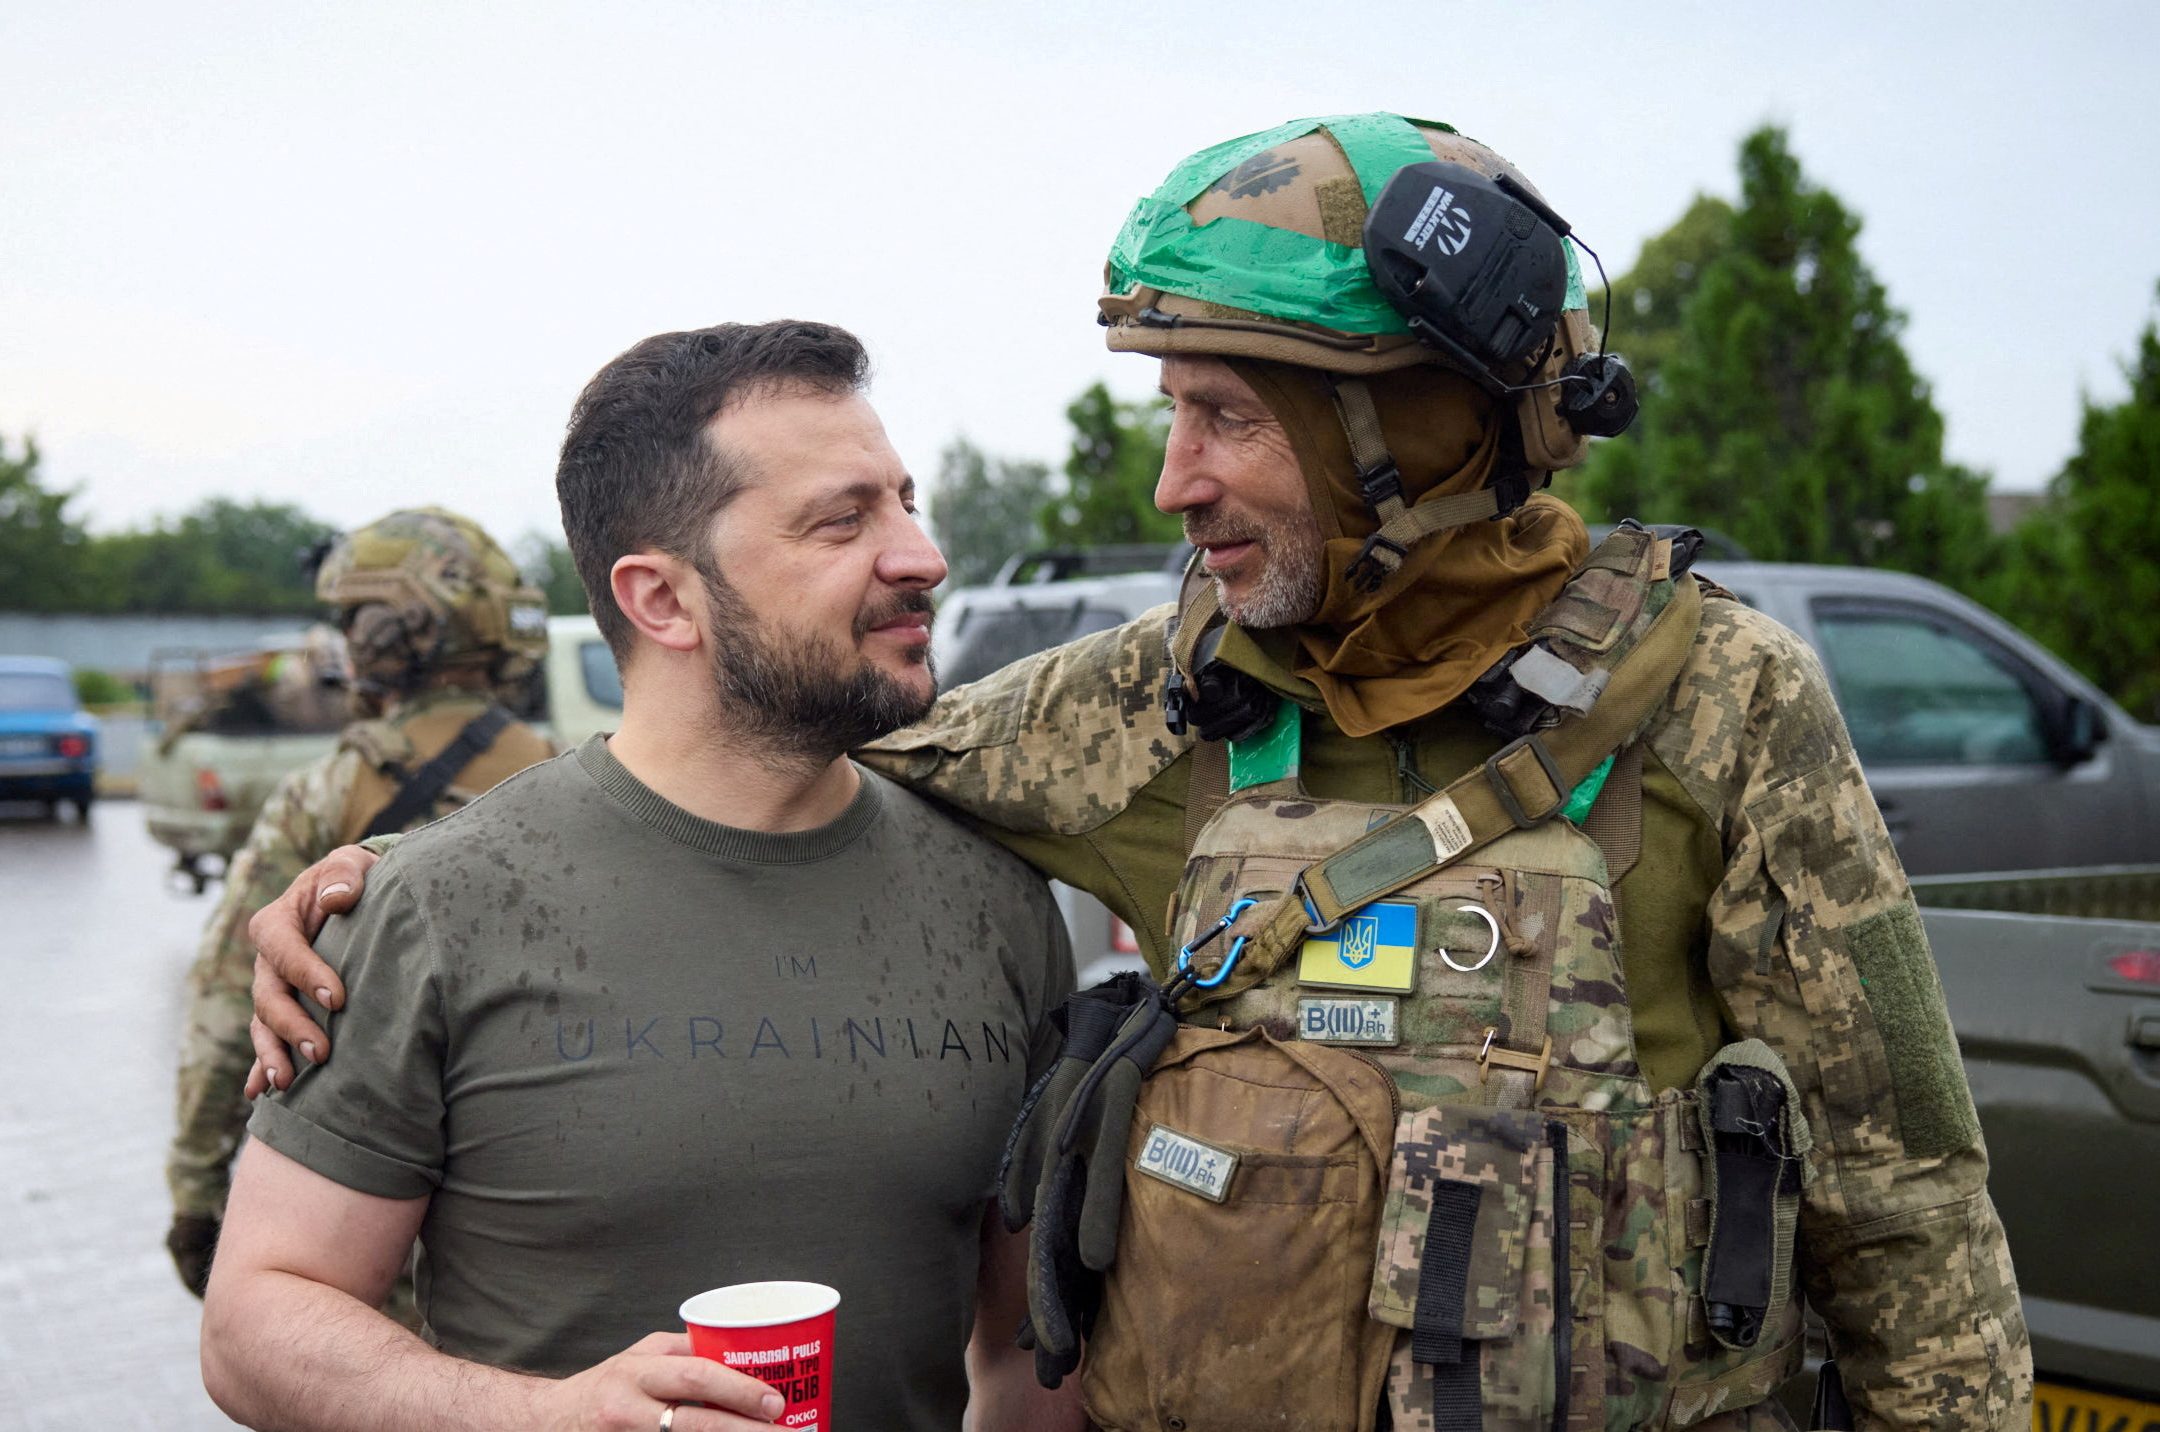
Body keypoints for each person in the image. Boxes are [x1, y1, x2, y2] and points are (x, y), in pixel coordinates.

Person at [247, 118, 2030, 1429]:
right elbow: (737, 757)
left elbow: (1909, 1204)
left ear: (1409, 436)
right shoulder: (1150, 702)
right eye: (1169, 410)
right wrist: (398, 883)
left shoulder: (1719, 700)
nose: (1172, 480)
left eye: (1227, 416)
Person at [202, 321, 1079, 1432]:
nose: (920, 555)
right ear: (663, 600)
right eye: (842, 519)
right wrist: (549, 1419)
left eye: (908, 502)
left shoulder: (998, 901)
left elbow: (1028, 1351)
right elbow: (256, 1320)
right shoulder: (430, 908)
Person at [165, 507, 558, 1315]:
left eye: (350, 620)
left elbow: (225, 1000)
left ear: (385, 635)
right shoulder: (576, 778)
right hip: (538, 1226)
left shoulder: (327, 793)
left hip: (376, 1221)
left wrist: (195, 1189)